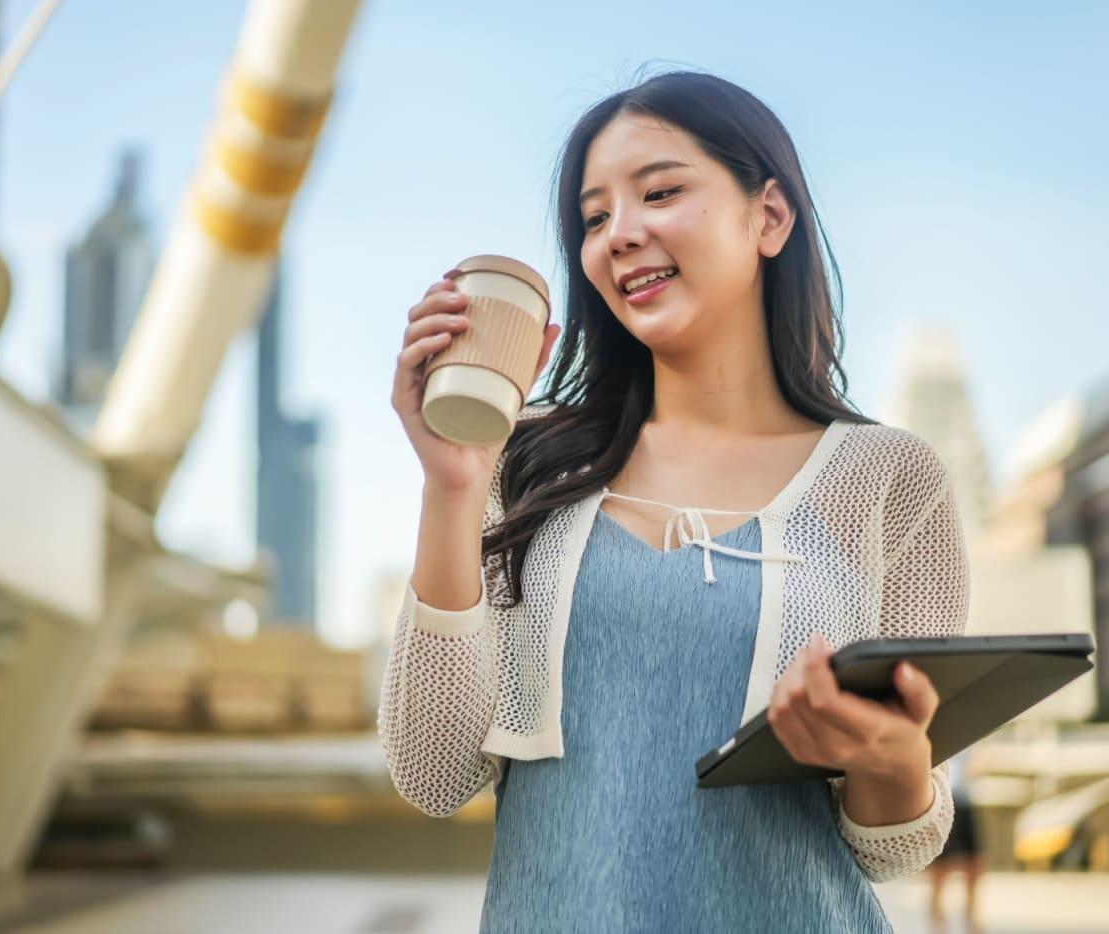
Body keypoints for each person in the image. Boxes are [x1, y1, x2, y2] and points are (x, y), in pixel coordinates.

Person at [380, 70, 971, 932]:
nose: (619, 235)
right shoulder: (525, 463)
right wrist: (453, 486)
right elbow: (433, 772)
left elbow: (896, 846)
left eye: (659, 192)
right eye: (592, 217)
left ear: (769, 217)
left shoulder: (890, 479)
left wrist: (893, 755)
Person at [928, 748, 984, 932]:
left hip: (966, 801)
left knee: (975, 866)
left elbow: (980, 762)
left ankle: (972, 923)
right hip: (945, 801)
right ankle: (938, 928)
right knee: (941, 871)